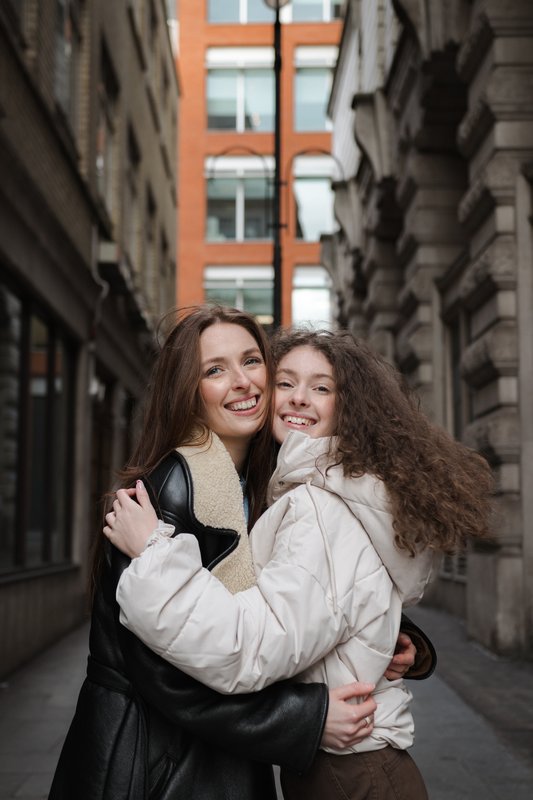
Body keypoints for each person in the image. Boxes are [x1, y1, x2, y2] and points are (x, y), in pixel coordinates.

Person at [49, 307, 426, 800]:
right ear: (187, 391)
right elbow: (165, 673)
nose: (243, 382)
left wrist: (389, 632)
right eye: (215, 370)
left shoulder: (263, 485)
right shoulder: (168, 491)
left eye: (252, 361)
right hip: (154, 762)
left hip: (220, 758)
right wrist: (306, 719)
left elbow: (300, 587)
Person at [105, 326, 493, 800]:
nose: (298, 399)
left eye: (322, 387)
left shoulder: (317, 503)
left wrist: (153, 554)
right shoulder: (306, 486)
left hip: (351, 772)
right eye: (286, 382)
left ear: (351, 408)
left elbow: (252, 644)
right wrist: (383, 635)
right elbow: (328, 591)